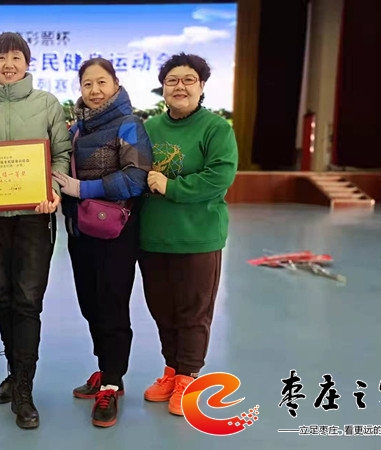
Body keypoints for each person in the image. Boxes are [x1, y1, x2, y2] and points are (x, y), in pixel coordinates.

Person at [0, 32, 71, 429]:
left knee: (27, 301)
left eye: (16, 57)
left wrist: (52, 189)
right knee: (2, 296)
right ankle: (14, 369)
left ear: (27, 62)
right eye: (1, 57)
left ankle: (24, 389)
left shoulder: (47, 104)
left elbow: (61, 154)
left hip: (34, 217)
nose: (8, 64)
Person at [52, 58, 152, 428]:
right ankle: (105, 367)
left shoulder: (129, 124)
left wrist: (84, 189)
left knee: (112, 305)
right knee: (91, 304)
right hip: (80, 230)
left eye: (101, 82)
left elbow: (136, 178)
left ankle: (112, 381)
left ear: (115, 84)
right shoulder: (76, 128)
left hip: (115, 233)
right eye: (87, 84)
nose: (94, 90)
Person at [138, 52, 238, 416]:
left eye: (188, 80)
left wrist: (170, 186)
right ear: (163, 88)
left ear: (202, 86)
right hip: (153, 237)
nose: (179, 86)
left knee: (193, 312)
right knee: (162, 309)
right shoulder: (149, 128)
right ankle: (171, 370)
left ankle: (188, 376)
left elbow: (219, 177)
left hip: (197, 237)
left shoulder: (216, 129)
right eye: (172, 80)